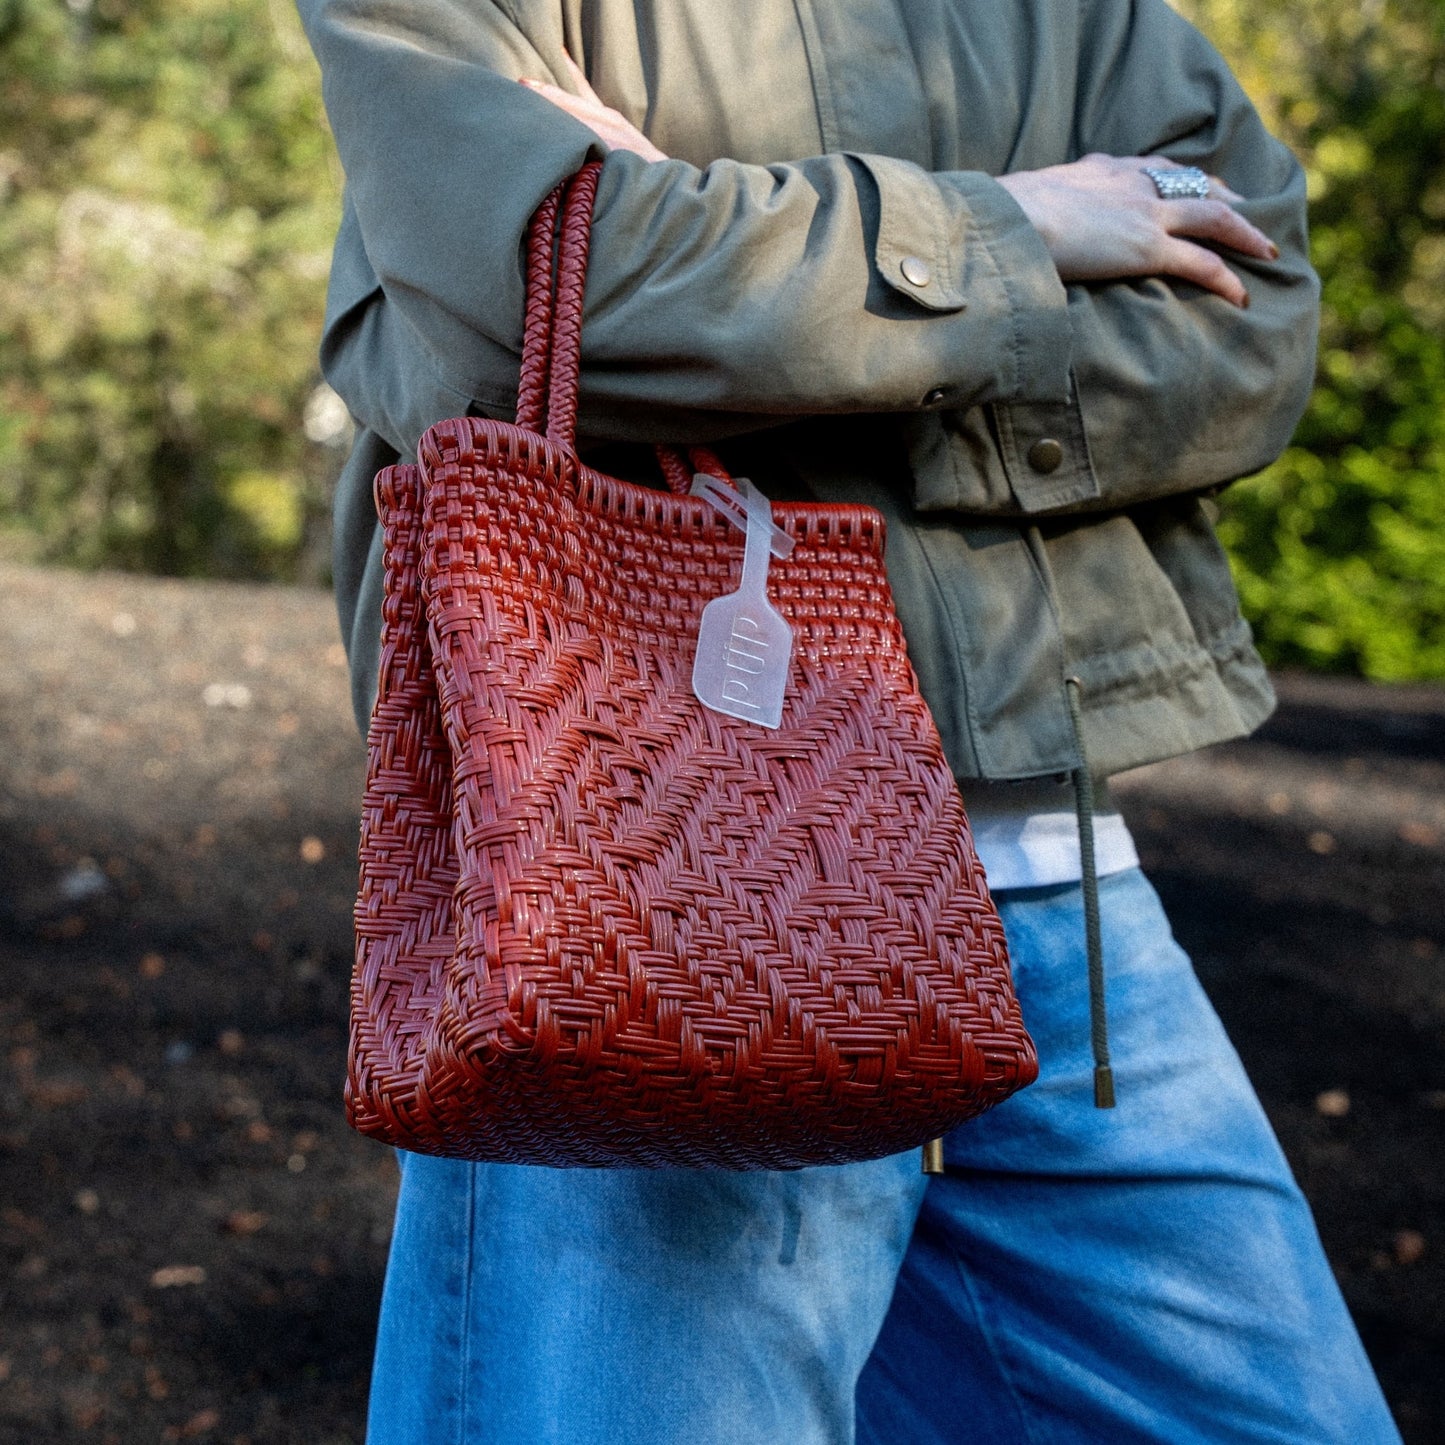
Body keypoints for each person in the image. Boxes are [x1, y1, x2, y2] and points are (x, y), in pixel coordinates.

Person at [296, 1, 1403, 1440]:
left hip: (1051, 899)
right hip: (648, 900)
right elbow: (513, 310)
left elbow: (1251, 324)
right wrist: (1015, 231)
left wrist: (764, 296)